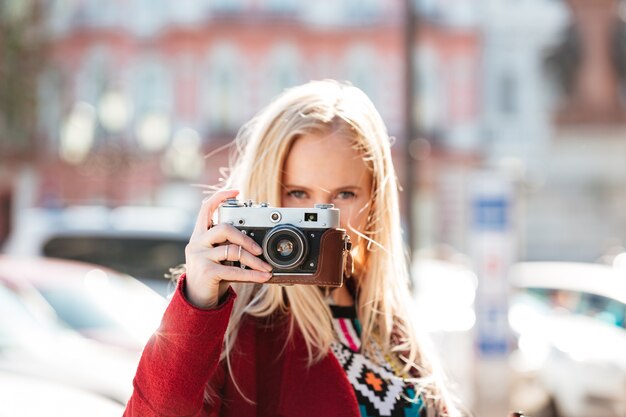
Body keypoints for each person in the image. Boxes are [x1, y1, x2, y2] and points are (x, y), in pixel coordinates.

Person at [124, 80, 462, 417]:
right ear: (265, 196)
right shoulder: (234, 329)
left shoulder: (389, 323)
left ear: (375, 201)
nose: (321, 219)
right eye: (298, 194)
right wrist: (196, 303)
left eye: (345, 195)